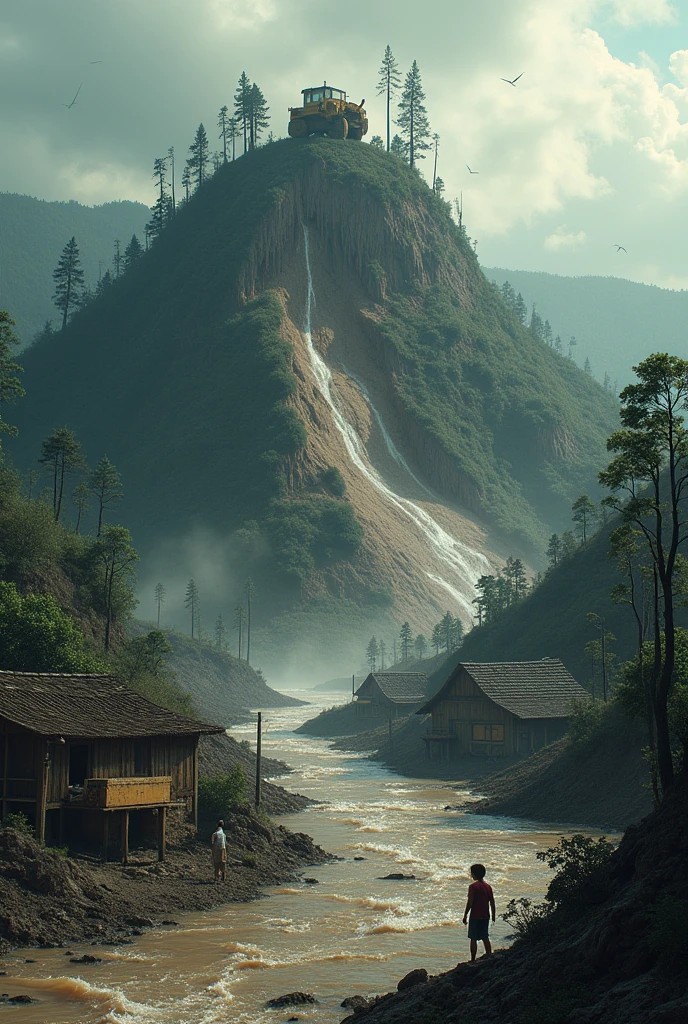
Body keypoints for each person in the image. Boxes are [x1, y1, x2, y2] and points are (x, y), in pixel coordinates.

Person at [462, 862, 495, 961]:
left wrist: (465, 915)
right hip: (485, 916)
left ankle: (473, 959)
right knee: (485, 937)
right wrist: (493, 915)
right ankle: (489, 955)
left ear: (474, 874)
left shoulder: (472, 887)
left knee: (473, 938)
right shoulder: (488, 887)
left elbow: (470, 903)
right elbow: (492, 902)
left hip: (475, 916)